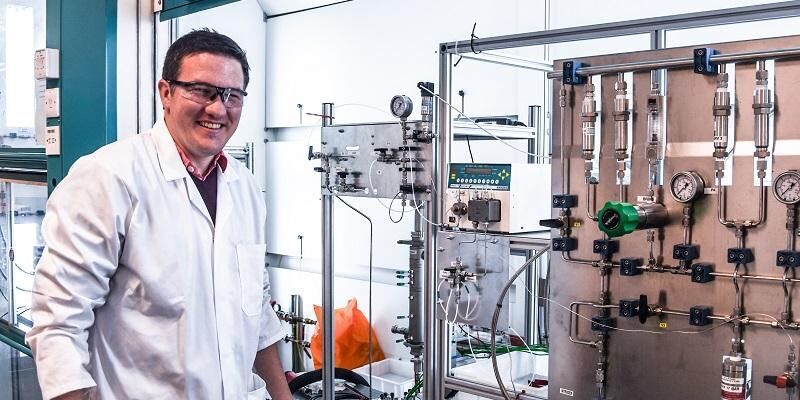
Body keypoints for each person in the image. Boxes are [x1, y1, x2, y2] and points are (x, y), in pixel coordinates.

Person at [27, 29, 292, 400]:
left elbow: (258, 315)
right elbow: (58, 325)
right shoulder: (109, 177)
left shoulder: (244, 187)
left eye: (232, 95)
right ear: (165, 93)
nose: (218, 108)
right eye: (201, 90)